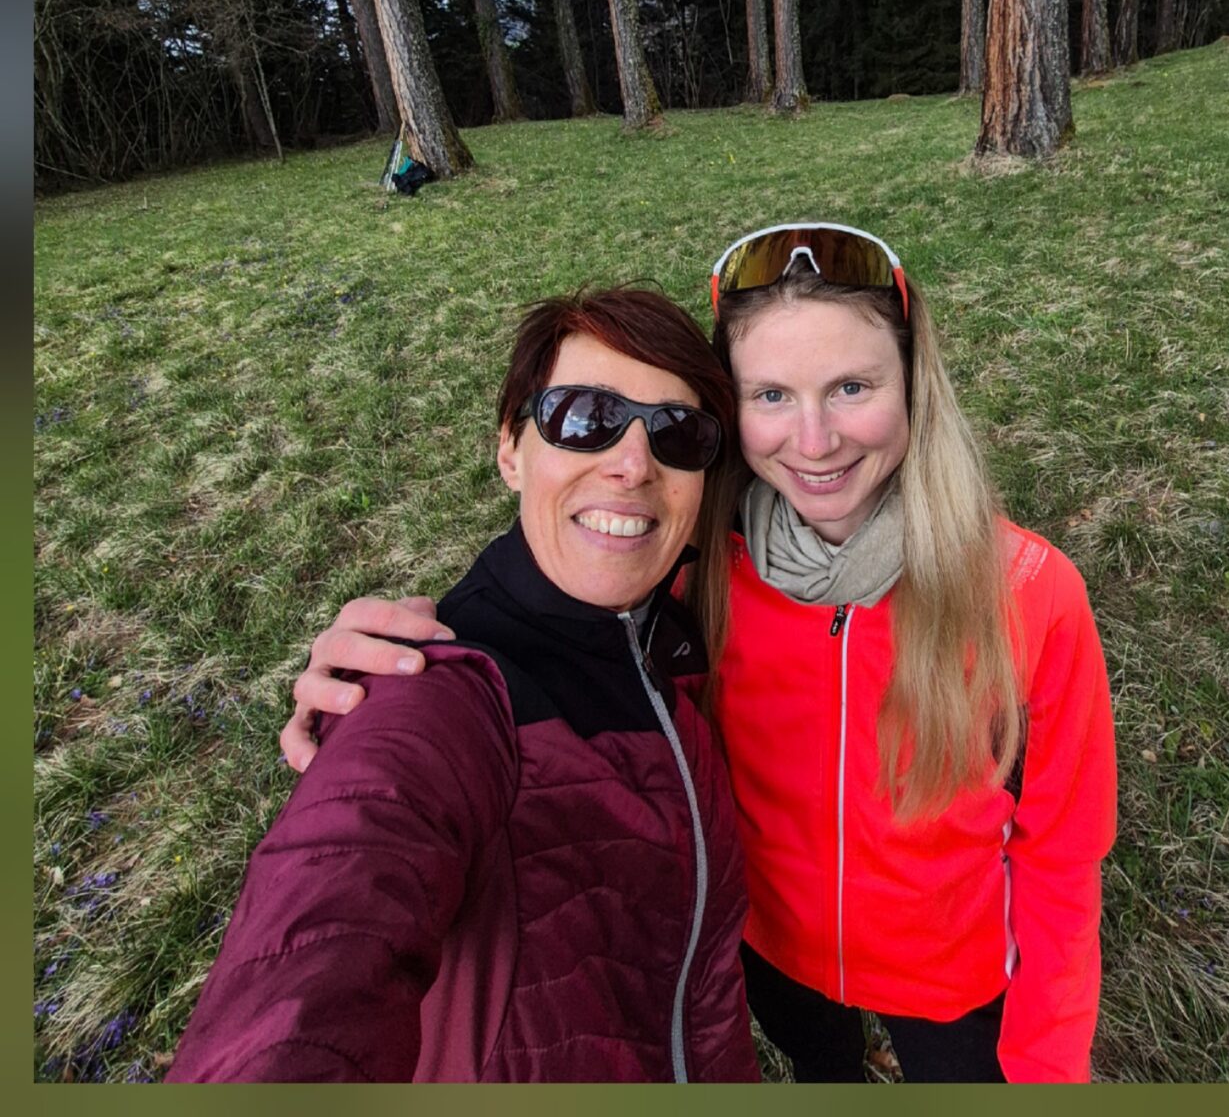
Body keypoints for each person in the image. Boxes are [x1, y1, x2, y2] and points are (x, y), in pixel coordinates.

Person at [284, 228, 1117, 1084]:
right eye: (771, 395)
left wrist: (1048, 1063)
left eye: (853, 387)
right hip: (776, 960)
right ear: (730, 414)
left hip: (957, 981)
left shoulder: (1027, 593)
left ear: (915, 390)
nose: (816, 439)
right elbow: (548, 617)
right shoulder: (693, 580)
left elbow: (1063, 852)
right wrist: (402, 672)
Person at [166, 287, 759, 1085]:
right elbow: (308, 973)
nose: (631, 463)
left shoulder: (676, 629)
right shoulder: (432, 692)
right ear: (511, 450)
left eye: (678, 434)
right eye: (583, 418)